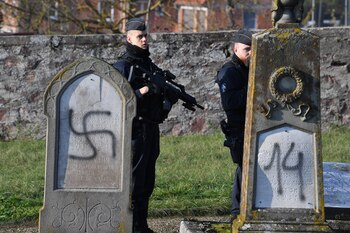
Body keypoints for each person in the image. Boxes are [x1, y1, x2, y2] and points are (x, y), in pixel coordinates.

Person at [113, 18, 176, 233]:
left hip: (151, 128)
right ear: (129, 38)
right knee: (134, 179)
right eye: (139, 36)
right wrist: (143, 91)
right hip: (134, 131)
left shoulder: (148, 65)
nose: (144, 39)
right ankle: (128, 225)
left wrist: (167, 98)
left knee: (147, 179)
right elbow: (118, 100)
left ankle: (141, 224)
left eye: (145, 36)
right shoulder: (123, 67)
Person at [216, 28, 252, 220]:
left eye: (253, 49)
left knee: (250, 167)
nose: (251, 53)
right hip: (239, 128)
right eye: (247, 49)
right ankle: (236, 211)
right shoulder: (229, 71)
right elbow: (229, 102)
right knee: (243, 167)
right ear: (235, 49)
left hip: (252, 126)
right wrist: (252, 89)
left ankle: (246, 208)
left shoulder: (248, 70)